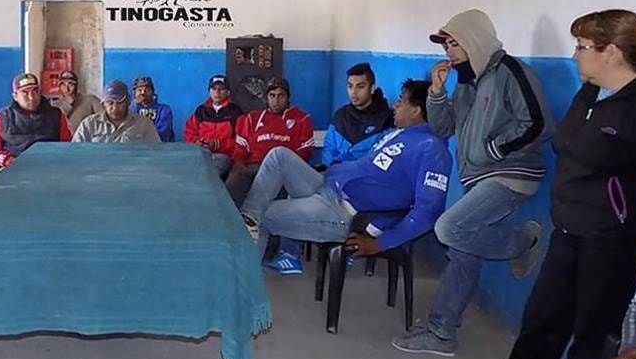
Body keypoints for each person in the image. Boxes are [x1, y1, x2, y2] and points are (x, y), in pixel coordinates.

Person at [443, 9, 636, 359]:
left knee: (594, 339)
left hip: (612, 239)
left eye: (582, 47)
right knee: (542, 323)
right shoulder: (591, 91)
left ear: (611, 52)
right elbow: (568, 142)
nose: (575, 55)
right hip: (569, 228)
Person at [393, 9, 552, 357]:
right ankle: (442, 333)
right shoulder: (466, 83)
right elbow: (443, 128)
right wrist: (437, 93)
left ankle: (521, 242)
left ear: (475, 40)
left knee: (448, 228)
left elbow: (538, 122)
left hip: (511, 174)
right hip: (478, 178)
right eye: (446, 45)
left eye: (455, 43)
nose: (449, 52)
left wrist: (494, 150)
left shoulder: (510, 71)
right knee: (463, 252)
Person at [240, 79, 451, 275]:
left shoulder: (432, 149)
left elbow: (428, 211)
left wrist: (381, 243)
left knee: (264, 215)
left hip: (343, 212)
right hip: (329, 186)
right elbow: (360, 160)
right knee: (278, 156)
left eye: (401, 101)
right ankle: (248, 219)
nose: (395, 106)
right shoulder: (397, 133)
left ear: (416, 110)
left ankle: (246, 279)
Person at [225, 77, 315, 206]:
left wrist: (287, 168)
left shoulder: (301, 118)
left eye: (281, 95)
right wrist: (238, 164)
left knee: (268, 198)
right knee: (231, 188)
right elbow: (241, 148)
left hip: (281, 171)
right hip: (253, 167)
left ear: (288, 97)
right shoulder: (252, 118)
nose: (276, 100)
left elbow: (305, 150)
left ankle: (252, 215)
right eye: (272, 95)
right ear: (267, 97)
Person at [0, 72, 72, 169]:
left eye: (35, 91)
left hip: (50, 168)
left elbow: (69, 143)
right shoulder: (2, 117)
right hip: (14, 169)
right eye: (25, 93)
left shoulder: (56, 115)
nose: (31, 97)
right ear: (15, 96)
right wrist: (6, 160)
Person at [323, 62, 394, 165]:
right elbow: (328, 152)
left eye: (360, 87)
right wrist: (335, 168)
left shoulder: (387, 119)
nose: (354, 92)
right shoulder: (340, 116)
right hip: (336, 172)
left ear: (372, 88)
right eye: (350, 86)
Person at [183, 74, 243, 177]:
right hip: (200, 154)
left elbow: (241, 141)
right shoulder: (201, 111)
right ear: (209, 91)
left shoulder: (235, 112)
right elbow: (189, 132)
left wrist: (217, 144)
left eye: (221, 89)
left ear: (228, 92)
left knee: (210, 170)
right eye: (214, 89)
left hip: (223, 156)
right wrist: (197, 142)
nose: (217, 92)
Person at [72, 80, 161, 143]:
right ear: (103, 104)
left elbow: (155, 153)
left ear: (128, 102)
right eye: (110, 103)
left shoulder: (144, 124)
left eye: (120, 103)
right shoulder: (89, 124)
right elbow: (76, 153)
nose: (115, 108)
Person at [129, 75, 175, 142]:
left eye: (147, 90)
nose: (143, 93)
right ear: (134, 94)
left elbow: (163, 133)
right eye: (139, 90)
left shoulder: (164, 110)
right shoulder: (130, 109)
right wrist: (134, 105)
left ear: (152, 92)